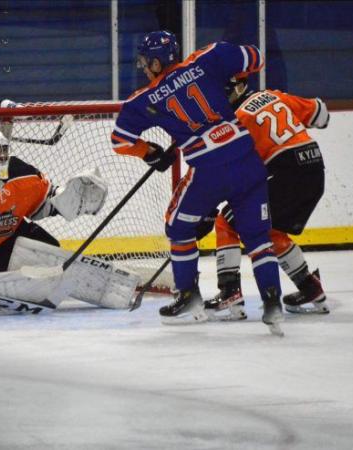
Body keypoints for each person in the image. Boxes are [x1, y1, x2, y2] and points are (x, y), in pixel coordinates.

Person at [111, 30, 283, 334]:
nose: (142, 67)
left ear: (155, 61)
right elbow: (256, 57)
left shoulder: (146, 98)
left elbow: (120, 141)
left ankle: (188, 295)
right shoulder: (208, 59)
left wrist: (150, 153)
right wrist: (232, 79)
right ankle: (272, 302)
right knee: (258, 238)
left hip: (209, 172)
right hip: (247, 163)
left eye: (144, 62)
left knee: (178, 227)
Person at [0, 129, 141, 314]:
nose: (2, 156)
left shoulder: (20, 172)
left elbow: (45, 204)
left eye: (5, 150)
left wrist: (71, 198)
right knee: (34, 277)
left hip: (11, 236)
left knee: (52, 249)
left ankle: (117, 290)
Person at [205, 76, 329, 319]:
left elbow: (226, 171)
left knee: (226, 221)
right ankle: (311, 289)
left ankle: (230, 292)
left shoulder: (237, 120)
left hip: (287, 174)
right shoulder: (274, 96)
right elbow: (321, 114)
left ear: (239, 88)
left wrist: (205, 206)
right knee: (270, 230)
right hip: (315, 171)